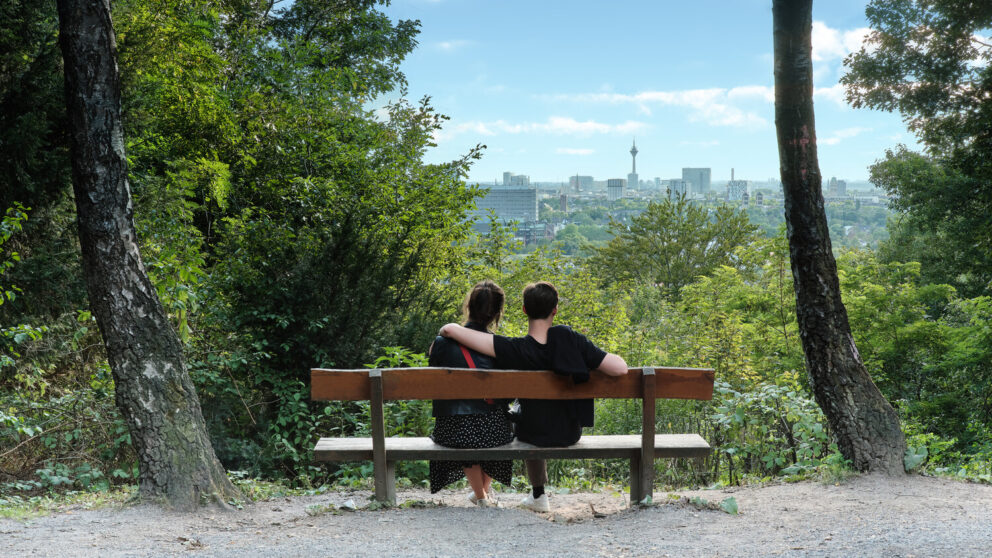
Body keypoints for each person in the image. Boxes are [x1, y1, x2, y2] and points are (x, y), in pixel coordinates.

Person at [439, 281, 627, 513]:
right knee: (538, 414)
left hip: (532, 434)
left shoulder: (515, 349)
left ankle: (538, 494)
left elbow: (451, 331)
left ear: (524, 310)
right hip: (570, 433)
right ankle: (536, 495)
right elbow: (621, 368)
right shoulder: (573, 342)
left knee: (526, 415)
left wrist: (447, 328)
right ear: (555, 310)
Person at [427, 280, 514, 507]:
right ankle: (482, 495)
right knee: (491, 425)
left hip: (453, 429)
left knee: (467, 429)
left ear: (469, 307)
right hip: (495, 431)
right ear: (496, 314)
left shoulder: (442, 343)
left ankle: (481, 496)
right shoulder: (499, 346)